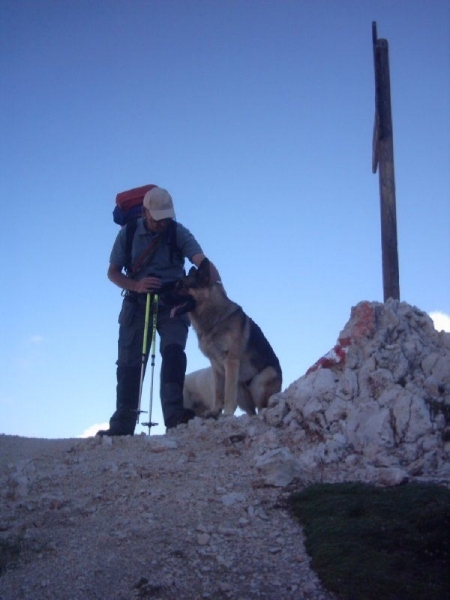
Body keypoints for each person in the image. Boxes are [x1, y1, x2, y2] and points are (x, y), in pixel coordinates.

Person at [97, 186, 218, 436]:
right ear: (144, 212)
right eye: (157, 219)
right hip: (136, 300)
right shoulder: (129, 233)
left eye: (166, 219)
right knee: (130, 361)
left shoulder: (177, 232)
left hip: (173, 299)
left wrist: (216, 288)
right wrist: (137, 285)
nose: (162, 224)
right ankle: (123, 424)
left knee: (173, 352)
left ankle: (175, 417)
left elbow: (200, 260)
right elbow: (113, 272)